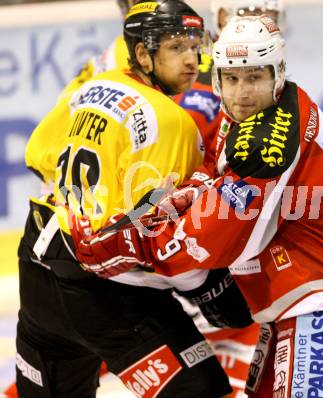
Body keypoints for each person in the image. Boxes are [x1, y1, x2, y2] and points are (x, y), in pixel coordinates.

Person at [74, 15, 323, 398]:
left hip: (322, 297)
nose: (241, 93)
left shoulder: (266, 144)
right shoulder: (255, 111)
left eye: (254, 77)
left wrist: (130, 244)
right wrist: (171, 201)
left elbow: (206, 242)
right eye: (232, 78)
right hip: (296, 300)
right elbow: (213, 176)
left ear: (278, 73)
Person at [15, 1, 255, 397]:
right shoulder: (173, 123)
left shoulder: (96, 84)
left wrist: (85, 203)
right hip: (105, 293)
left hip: (38, 267)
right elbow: (163, 239)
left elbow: (38, 152)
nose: (192, 58)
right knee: (200, 389)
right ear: (143, 53)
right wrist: (210, 288)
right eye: (176, 47)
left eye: (195, 45)